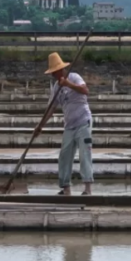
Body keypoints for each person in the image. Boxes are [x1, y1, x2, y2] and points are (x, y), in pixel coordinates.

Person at [35, 52, 94, 195]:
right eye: (53, 74)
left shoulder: (74, 77)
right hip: (69, 125)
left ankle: (87, 189)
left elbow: (85, 91)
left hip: (83, 122)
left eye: (56, 72)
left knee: (84, 155)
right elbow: (51, 109)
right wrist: (40, 126)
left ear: (62, 69)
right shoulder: (56, 88)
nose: (55, 75)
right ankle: (65, 188)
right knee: (64, 156)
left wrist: (68, 84)